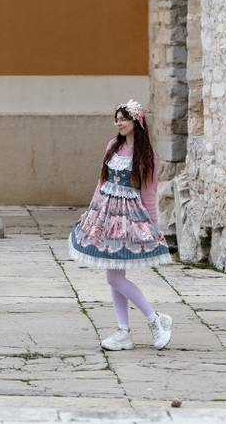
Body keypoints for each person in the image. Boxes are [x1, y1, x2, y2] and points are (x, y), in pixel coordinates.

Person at [69, 100, 174, 351]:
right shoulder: (112, 147)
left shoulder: (147, 156)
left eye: (123, 118)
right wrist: (91, 211)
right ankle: (124, 331)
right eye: (116, 119)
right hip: (105, 214)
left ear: (136, 121)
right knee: (113, 274)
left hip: (128, 218)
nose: (119, 123)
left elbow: (149, 193)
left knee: (115, 276)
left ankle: (153, 319)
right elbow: (101, 181)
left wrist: (153, 226)